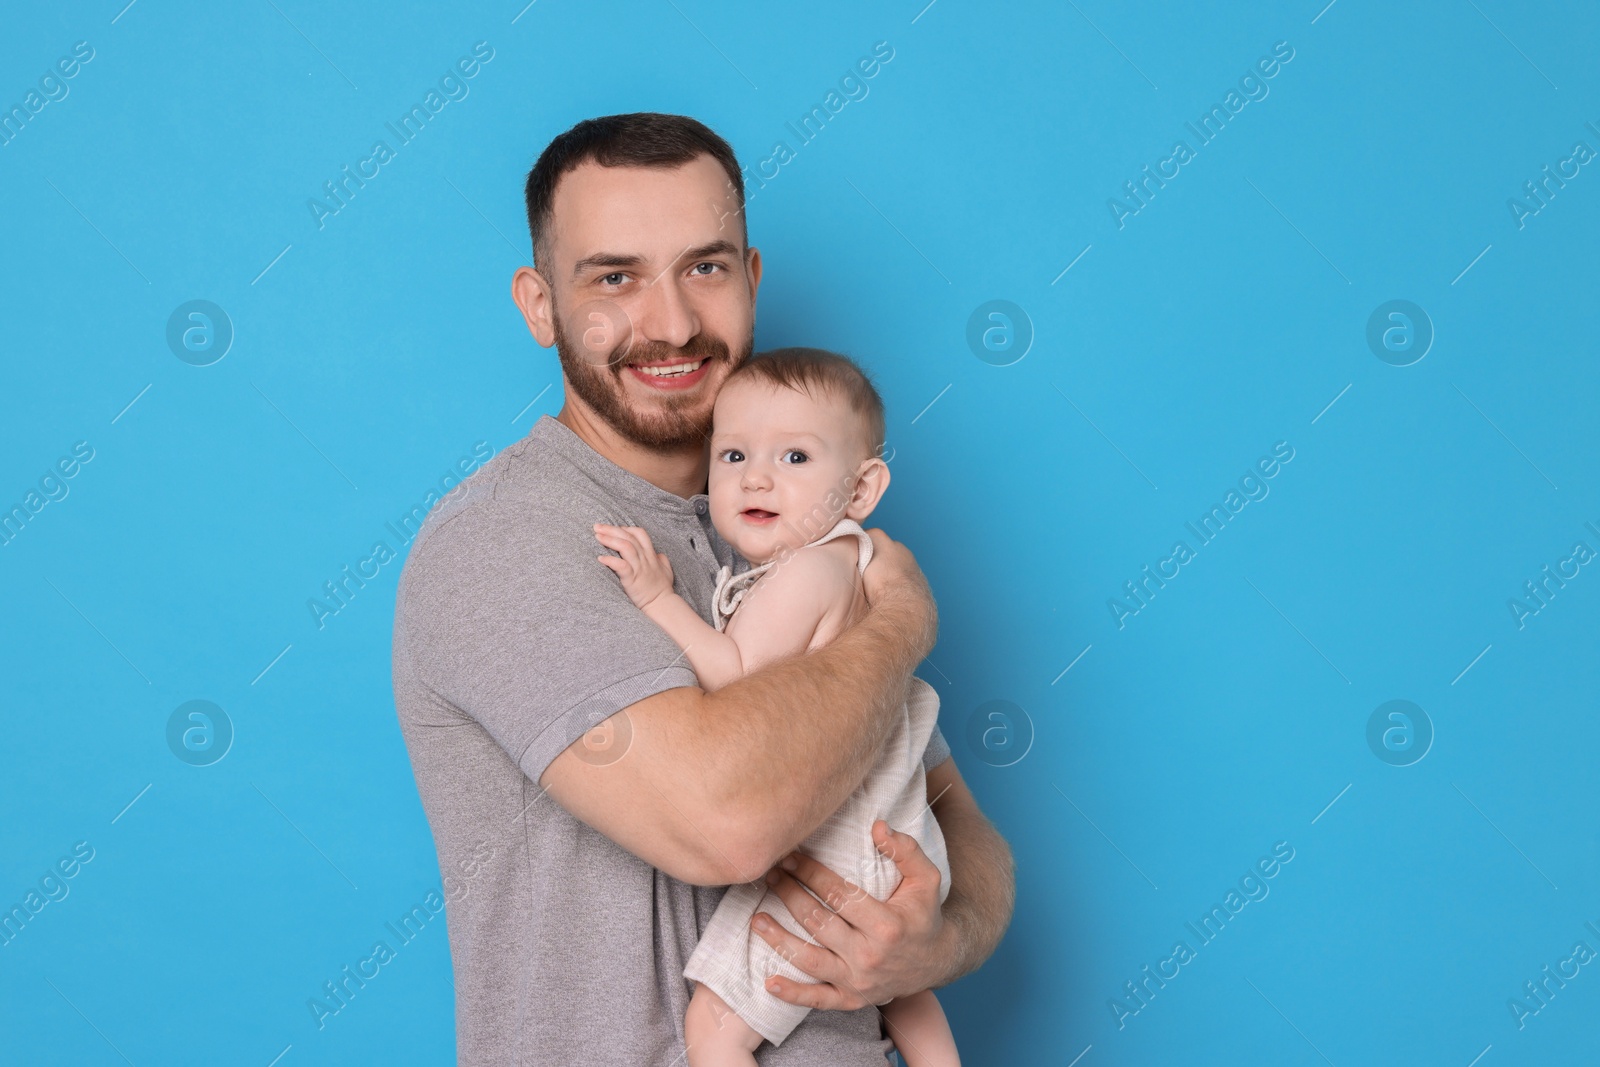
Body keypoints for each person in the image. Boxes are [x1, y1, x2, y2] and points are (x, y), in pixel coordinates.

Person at [391, 112, 1014, 1065]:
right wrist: (897, 626)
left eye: (706, 268)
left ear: (752, 280)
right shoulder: (507, 541)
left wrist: (940, 939)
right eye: (615, 278)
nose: (674, 323)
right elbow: (727, 825)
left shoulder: (786, 520)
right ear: (539, 303)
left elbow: (955, 813)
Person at [594, 348, 960, 1066]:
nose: (756, 476)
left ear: (860, 491)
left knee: (713, 1030)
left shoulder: (808, 573)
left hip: (838, 853)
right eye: (732, 454)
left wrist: (656, 599)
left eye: (795, 456)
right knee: (901, 989)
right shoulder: (856, 569)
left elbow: (735, 680)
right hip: (894, 842)